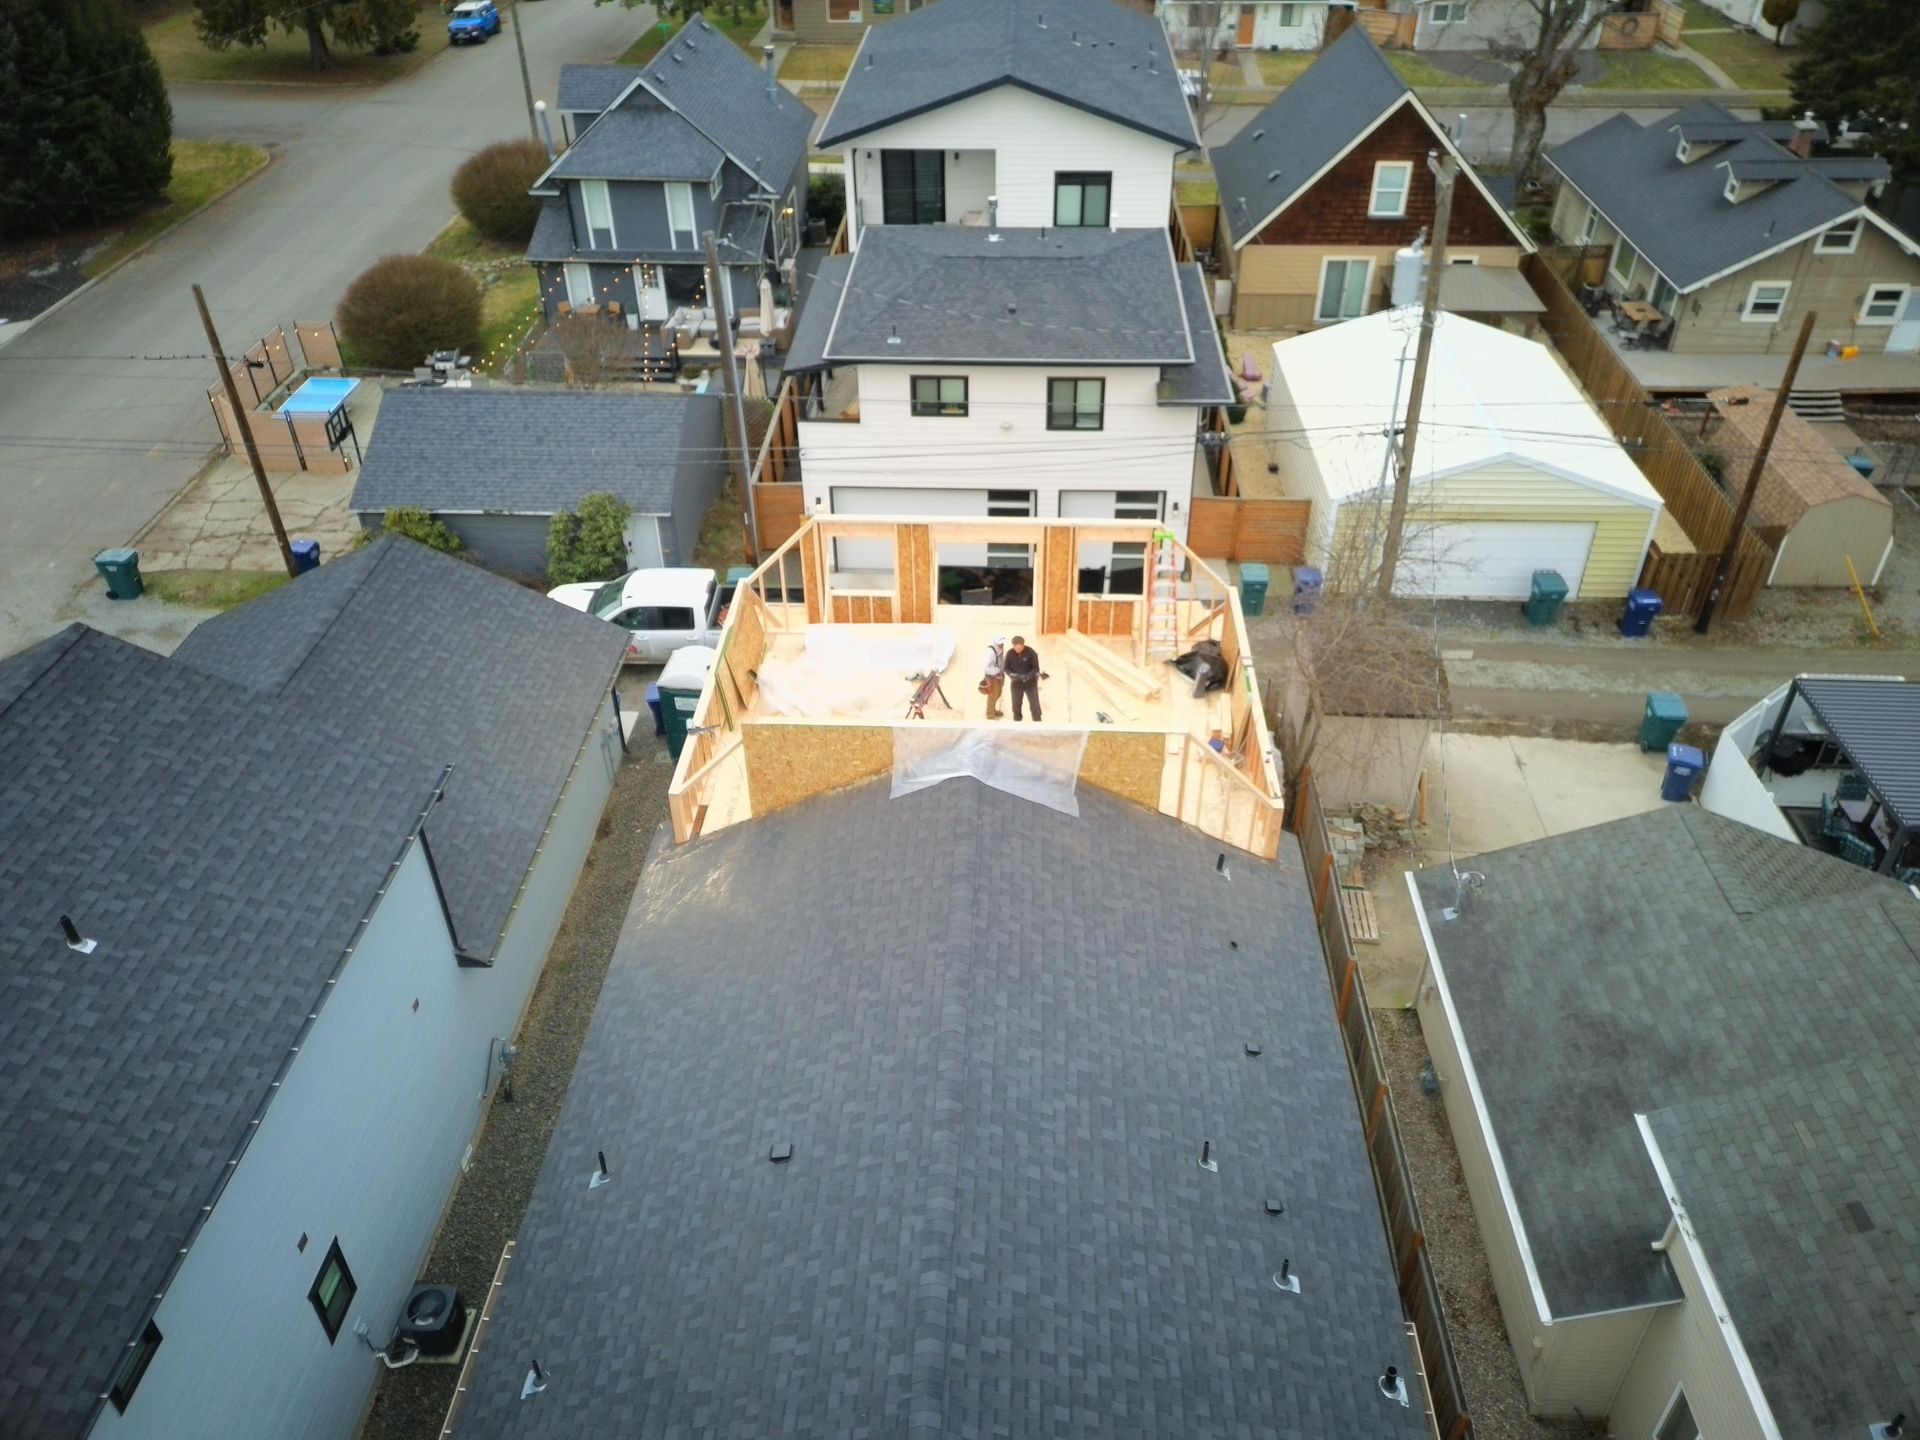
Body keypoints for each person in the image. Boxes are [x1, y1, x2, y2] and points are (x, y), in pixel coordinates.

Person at [1003, 635, 1043, 722]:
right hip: (1016, 683)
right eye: (1014, 647)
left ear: (1022, 645)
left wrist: (1027, 676)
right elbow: (1006, 668)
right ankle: (1017, 722)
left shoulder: (1031, 653)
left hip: (1030, 683)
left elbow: (1036, 668)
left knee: (1034, 704)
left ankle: (1037, 722)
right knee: (1016, 705)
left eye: (1018, 647)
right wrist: (1011, 674)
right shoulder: (1010, 653)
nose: (1016, 650)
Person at [980, 635, 1007, 719]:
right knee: (992, 695)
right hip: (992, 677)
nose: (1002, 645)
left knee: (998, 693)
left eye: (1002, 643)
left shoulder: (999, 649)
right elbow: (986, 668)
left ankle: (992, 709)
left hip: (999, 676)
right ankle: (990, 714)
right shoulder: (990, 652)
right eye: (1000, 644)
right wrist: (996, 671)